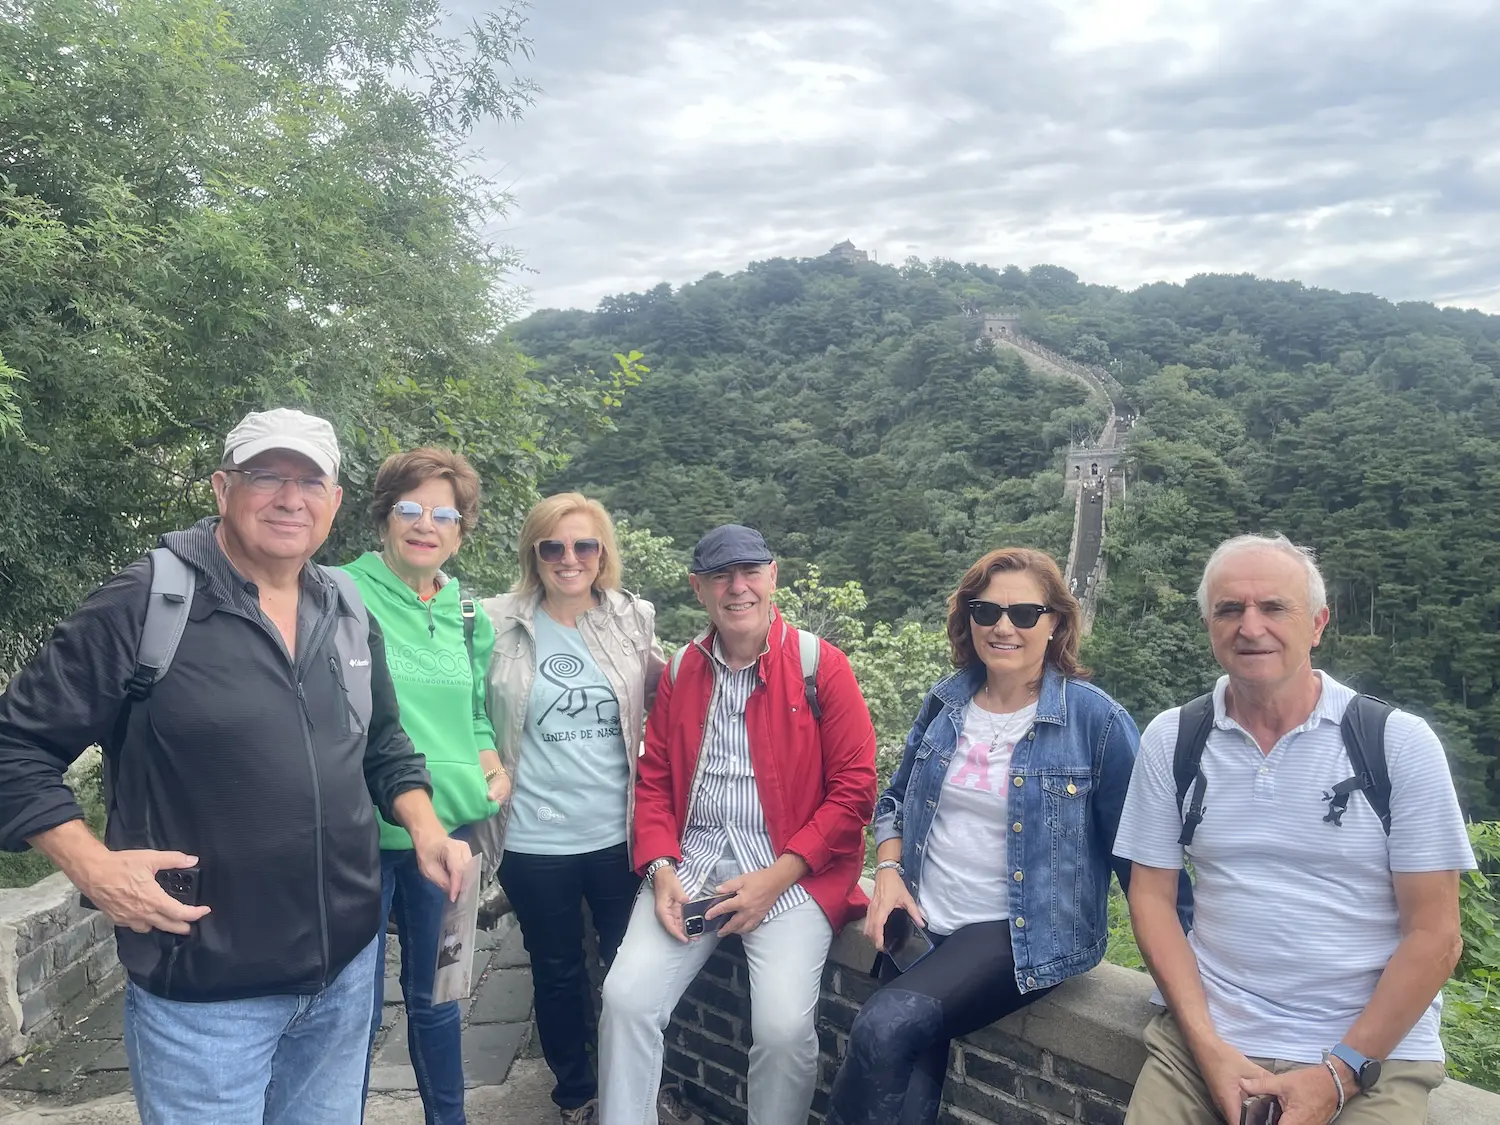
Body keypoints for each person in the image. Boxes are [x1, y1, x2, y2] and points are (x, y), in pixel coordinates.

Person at [0, 408, 472, 1125]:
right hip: (206, 996)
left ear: (335, 502)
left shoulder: (344, 607)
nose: (290, 498)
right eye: (266, 476)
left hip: (343, 979)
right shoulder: (147, 601)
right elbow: (17, 748)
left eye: (310, 480)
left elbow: (383, 745)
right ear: (223, 488)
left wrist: (427, 827)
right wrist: (93, 868)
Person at [1115, 534, 1475, 1125]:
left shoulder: (1396, 744)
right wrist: (1207, 1046)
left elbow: (1436, 935)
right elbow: (1150, 898)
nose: (1250, 627)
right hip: (1207, 1035)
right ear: (1209, 624)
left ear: (1317, 624)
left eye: (1273, 607)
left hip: (1369, 1053)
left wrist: (1338, 1074)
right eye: (1230, 609)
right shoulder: (1174, 738)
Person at [827, 547, 1146, 1125]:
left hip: (1014, 932)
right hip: (925, 918)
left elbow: (1143, 857)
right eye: (987, 610)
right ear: (967, 618)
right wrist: (890, 873)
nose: (1004, 626)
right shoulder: (947, 703)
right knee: (907, 1074)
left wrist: (1186, 977)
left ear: (1055, 624)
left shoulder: (1095, 722)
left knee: (884, 1026)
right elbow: (894, 799)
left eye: (1025, 613)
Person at [598, 524, 878, 1125]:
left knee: (781, 1031)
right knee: (625, 1000)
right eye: (721, 576)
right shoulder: (681, 671)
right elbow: (654, 780)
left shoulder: (819, 665)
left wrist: (779, 876)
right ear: (699, 588)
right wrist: (660, 865)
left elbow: (855, 789)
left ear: (772, 577)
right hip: (693, 862)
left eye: (750, 571)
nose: (737, 587)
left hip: (791, 872)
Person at [475, 493, 666, 1125]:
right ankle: (575, 1090)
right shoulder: (493, 621)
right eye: (553, 546)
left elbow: (672, 698)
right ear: (534, 553)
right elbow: (466, 709)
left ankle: (630, 1088)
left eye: (583, 545)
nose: (569, 559)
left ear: (602, 552)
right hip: (531, 840)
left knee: (628, 974)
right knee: (556, 972)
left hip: (618, 833)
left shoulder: (631, 619)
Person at [342, 448, 506, 1125]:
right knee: (346, 1005)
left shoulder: (470, 615)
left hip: (451, 839)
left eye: (444, 513)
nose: (425, 524)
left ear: (461, 529)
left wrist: (493, 769)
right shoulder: (338, 592)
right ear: (383, 516)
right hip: (359, 834)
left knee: (438, 996)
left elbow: (472, 713)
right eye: (409, 508)